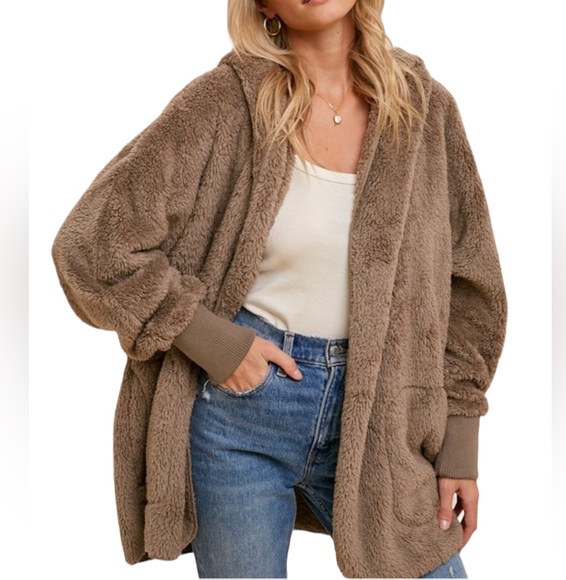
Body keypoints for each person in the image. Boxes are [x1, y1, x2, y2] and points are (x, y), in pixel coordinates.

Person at [51, 0, 507, 578]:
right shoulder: (225, 102)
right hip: (241, 414)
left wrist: (459, 442)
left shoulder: (424, 110)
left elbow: (471, 287)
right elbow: (93, 245)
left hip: (385, 415)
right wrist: (218, 344)